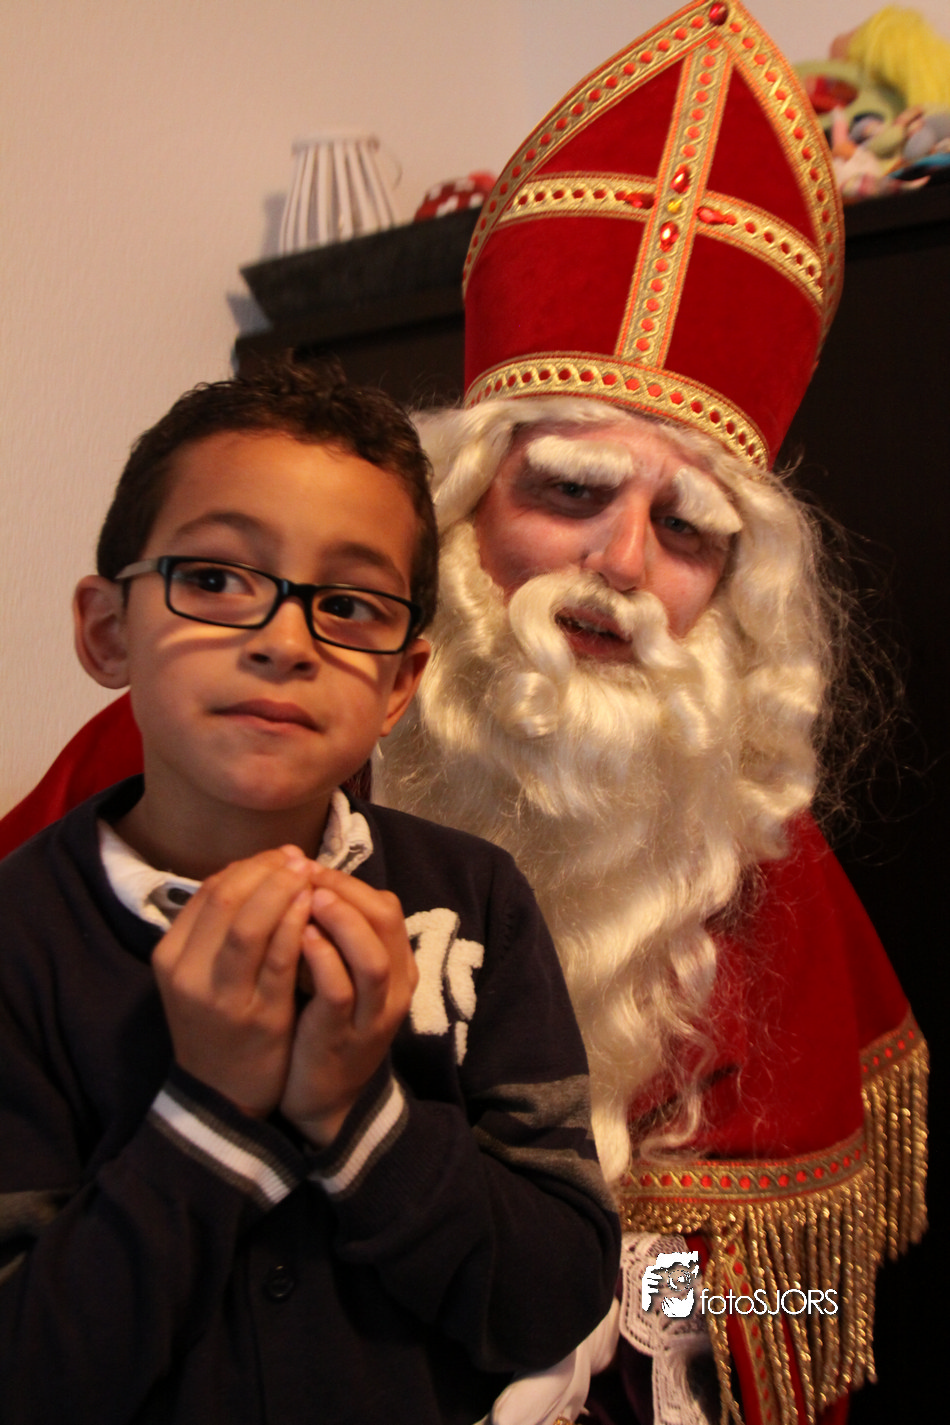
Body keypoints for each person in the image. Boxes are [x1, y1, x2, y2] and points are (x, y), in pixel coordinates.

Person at [0, 5, 929, 1423]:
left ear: (734, 593)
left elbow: (810, 1297)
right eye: (569, 491)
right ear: (458, 509)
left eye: (683, 529)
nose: (619, 565)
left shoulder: (761, 855)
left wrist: (635, 1306)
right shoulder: (180, 763)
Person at [0, 359, 621, 1425]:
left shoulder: (474, 903)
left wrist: (354, 1110)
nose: (284, 641)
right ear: (109, 631)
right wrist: (209, 1109)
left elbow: (554, 1296)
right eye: (214, 579)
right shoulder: (21, 941)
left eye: (348, 604)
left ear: (399, 685)